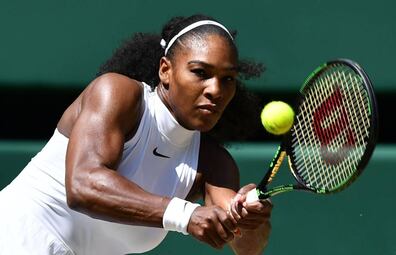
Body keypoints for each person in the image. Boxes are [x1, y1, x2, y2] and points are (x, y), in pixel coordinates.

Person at [0, 14, 272, 255]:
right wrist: (185, 214)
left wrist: (249, 217)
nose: (216, 90)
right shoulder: (118, 94)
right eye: (200, 72)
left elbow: (247, 247)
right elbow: (83, 184)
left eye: (228, 79)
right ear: (165, 70)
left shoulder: (214, 164)